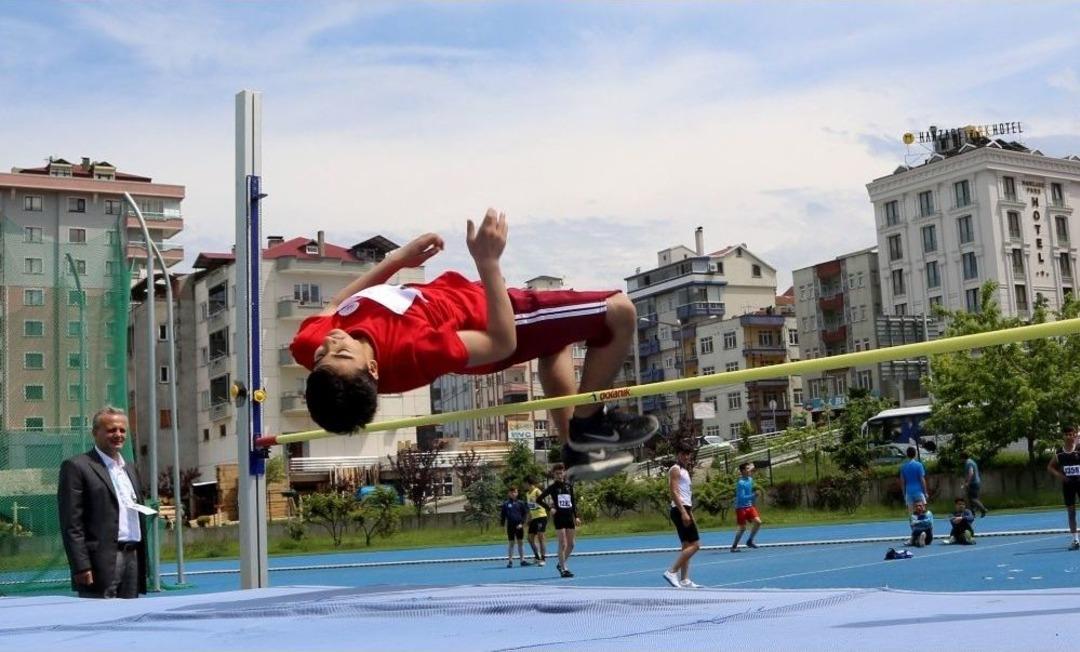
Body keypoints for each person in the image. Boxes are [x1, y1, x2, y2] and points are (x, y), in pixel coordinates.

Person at [290, 209, 658, 481]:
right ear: (372, 369)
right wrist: (488, 262)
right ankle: (588, 425)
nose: (331, 340)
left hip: (475, 299)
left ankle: (577, 450)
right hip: (498, 320)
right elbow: (501, 342)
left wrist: (398, 260)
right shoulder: (416, 350)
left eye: (323, 355)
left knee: (555, 344)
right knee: (618, 310)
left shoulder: (313, 346)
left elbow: (336, 304)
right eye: (341, 352)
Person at [57, 407, 147, 599]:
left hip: (133, 556)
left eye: (122, 430)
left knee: (132, 620)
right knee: (101, 619)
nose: (118, 435)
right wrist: (81, 565)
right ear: (95, 433)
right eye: (111, 430)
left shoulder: (131, 468)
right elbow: (72, 524)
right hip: (101, 561)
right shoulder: (77, 467)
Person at [663, 444, 701, 588]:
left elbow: (686, 495)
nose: (686, 456)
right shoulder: (675, 469)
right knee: (696, 545)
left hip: (686, 508)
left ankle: (685, 580)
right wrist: (683, 512)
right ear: (678, 454)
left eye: (688, 454)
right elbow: (673, 492)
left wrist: (690, 512)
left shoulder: (685, 471)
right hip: (680, 509)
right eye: (683, 454)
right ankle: (672, 571)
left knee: (686, 545)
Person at [538, 463, 580, 577]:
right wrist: (549, 508)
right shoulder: (552, 488)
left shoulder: (568, 486)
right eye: (557, 473)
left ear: (564, 473)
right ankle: (564, 568)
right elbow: (539, 499)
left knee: (571, 545)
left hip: (569, 517)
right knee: (562, 543)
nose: (559, 475)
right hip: (559, 517)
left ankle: (560, 564)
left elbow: (573, 502)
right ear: (554, 475)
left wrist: (576, 516)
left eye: (561, 473)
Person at [1047, 424, 1080, 551]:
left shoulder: (1078, 449)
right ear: (1064, 436)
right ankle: (1075, 539)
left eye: (1071, 434)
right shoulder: (1060, 453)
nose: (1069, 437)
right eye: (1066, 434)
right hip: (1068, 485)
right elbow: (1049, 467)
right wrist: (1059, 476)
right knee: (1071, 513)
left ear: (1075, 435)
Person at [731, 462, 761, 552]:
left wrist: (753, 503)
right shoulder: (741, 483)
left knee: (758, 522)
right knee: (742, 528)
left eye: (749, 469)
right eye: (747, 469)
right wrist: (753, 495)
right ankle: (734, 547)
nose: (750, 470)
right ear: (743, 471)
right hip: (741, 508)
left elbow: (750, 493)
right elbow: (742, 497)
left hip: (749, 506)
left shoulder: (750, 480)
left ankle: (750, 541)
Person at [499, 485, 531, 567]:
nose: (514, 494)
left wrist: (522, 524)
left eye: (515, 492)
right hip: (510, 526)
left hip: (519, 526)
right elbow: (503, 516)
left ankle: (522, 560)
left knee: (520, 542)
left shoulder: (520, 503)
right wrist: (502, 526)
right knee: (511, 543)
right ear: (509, 493)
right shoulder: (506, 504)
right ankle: (510, 561)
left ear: (517, 493)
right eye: (512, 492)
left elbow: (525, 514)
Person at [525, 477, 548, 566]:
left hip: (541, 516)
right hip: (533, 518)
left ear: (528, 483)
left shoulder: (537, 491)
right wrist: (528, 519)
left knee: (540, 538)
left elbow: (543, 502)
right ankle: (537, 556)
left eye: (525, 483)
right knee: (530, 538)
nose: (524, 485)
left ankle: (543, 559)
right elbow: (530, 508)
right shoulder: (527, 494)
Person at [899, 446, 928, 513]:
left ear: (907, 454)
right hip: (918, 491)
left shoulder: (903, 467)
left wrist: (904, 494)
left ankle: (913, 523)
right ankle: (923, 522)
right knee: (923, 510)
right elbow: (922, 480)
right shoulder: (919, 465)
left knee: (911, 512)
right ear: (915, 454)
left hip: (909, 492)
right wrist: (925, 492)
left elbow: (902, 482)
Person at [961, 451, 989, 518]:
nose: (960, 460)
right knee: (970, 499)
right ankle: (972, 513)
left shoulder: (968, 463)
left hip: (973, 483)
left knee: (973, 499)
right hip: (975, 482)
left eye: (960, 458)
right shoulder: (971, 461)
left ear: (962, 458)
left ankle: (983, 509)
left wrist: (968, 482)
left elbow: (971, 473)